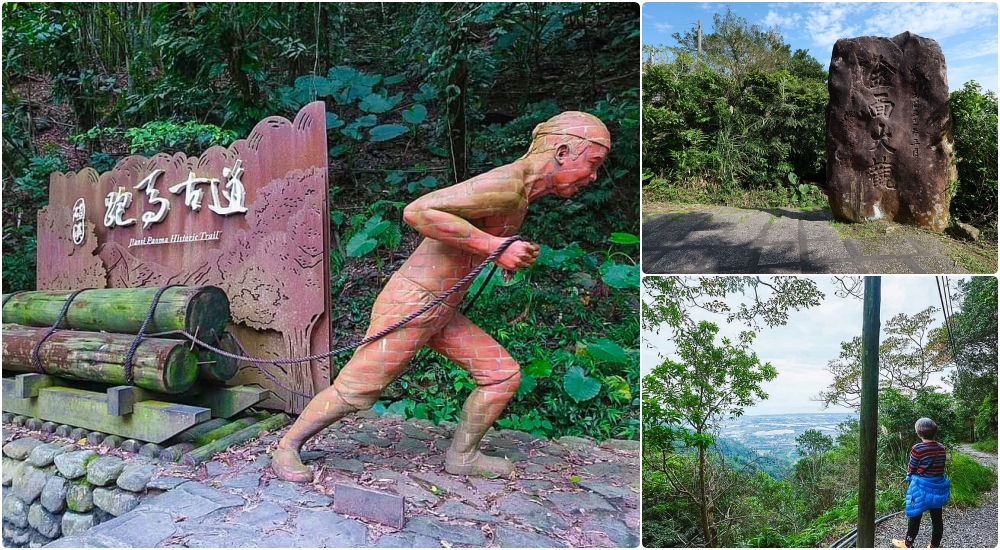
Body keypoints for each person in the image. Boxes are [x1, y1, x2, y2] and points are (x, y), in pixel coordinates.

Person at [271, 111, 611, 482]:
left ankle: (462, 456)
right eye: (592, 164)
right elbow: (418, 211)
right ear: (563, 152)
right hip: (414, 302)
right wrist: (494, 245)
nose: (593, 177)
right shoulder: (505, 185)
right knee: (357, 391)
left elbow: (467, 242)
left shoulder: (519, 197)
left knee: (500, 375)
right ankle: (287, 446)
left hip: (442, 310)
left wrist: (500, 254)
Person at [892, 417, 951, 548]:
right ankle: (934, 545)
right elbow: (940, 467)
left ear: (919, 433)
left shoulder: (917, 448)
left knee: (915, 516)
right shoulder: (941, 448)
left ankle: (907, 544)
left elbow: (911, 467)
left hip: (920, 487)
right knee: (937, 519)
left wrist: (910, 476)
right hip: (937, 487)